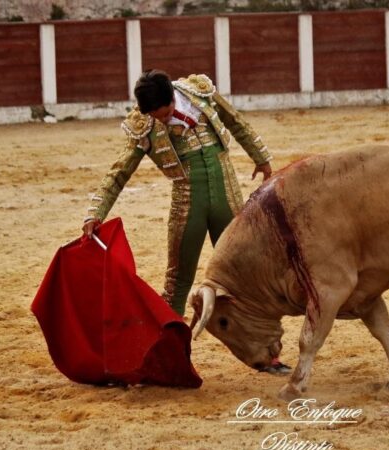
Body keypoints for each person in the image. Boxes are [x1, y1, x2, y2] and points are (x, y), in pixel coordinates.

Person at [83, 70, 273, 317]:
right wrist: (95, 213)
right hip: (187, 205)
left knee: (245, 274)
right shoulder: (144, 124)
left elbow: (234, 120)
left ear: (173, 98)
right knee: (177, 283)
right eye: (156, 117)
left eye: (167, 114)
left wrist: (260, 157)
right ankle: (171, 351)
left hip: (227, 195)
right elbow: (119, 172)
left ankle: (264, 349)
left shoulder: (199, 92)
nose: (163, 120)